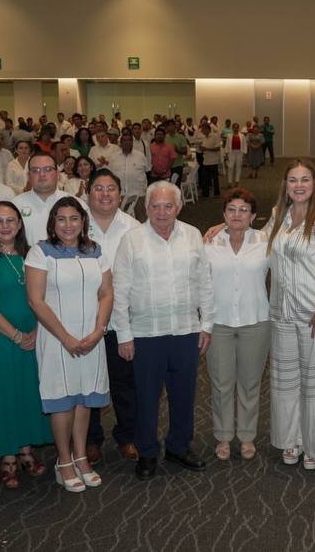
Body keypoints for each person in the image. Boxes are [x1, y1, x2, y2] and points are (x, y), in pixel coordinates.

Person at [112, 181, 213, 480]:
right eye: (155, 205)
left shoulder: (192, 235)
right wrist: (124, 334)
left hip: (185, 331)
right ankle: (147, 451)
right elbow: (120, 290)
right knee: (146, 397)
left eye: (168, 206)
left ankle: (179, 446)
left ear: (178, 207)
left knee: (184, 394)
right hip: (146, 334)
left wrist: (206, 324)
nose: (161, 212)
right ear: (146, 207)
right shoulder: (131, 240)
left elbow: (205, 283)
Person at [260, 160, 315, 471]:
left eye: (304, 179)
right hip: (282, 312)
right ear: (285, 185)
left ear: (314, 183)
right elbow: (259, 243)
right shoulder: (278, 215)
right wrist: (225, 229)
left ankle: (313, 445)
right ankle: (291, 440)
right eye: (293, 180)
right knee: (286, 382)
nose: (298, 185)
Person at [24, 197, 112, 492]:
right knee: (63, 400)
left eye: (74, 218)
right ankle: (63, 462)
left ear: (83, 222)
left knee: (84, 398)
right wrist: (66, 338)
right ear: (52, 223)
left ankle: (81, 456)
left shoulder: (95, 251)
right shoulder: (40, 252)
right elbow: (35, 300)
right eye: (61, 219)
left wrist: (99, 330)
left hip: (91, 338)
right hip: (57, 340)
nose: (68, 225)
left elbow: (106, 293)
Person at [0, 201, 51, 489]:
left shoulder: (33, 255)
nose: (5, 226)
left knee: (27, 394)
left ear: (19, 224)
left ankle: (26, 451)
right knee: (2, 396)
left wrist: (38, 331)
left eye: (10, 220)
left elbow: (45, 297)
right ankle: (7, 456)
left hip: (33, 336)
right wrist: (16, 336)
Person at [203, 188, 270, 461]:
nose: (237, 215)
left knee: (250, 383)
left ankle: (247, 436)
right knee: (221, 383)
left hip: (256, 321)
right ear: (223, 214)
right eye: (231, 209)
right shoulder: (208, 242)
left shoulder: (266, 242)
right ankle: (223, 436)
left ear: (253, 216)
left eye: (244, 210)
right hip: (218, 323)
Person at [81, 170, 141, 463]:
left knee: (124, 383)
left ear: (120, 193)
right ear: (88, 193)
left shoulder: (133, 227)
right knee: (88, 381)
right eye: (98, 188)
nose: (105, 194)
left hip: (121, 321)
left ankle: (127, 436)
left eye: (111, 189)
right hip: (84, 319)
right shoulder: (74, 224)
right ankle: (91, 439)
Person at [14, 152, 82, 245]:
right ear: (29, 176)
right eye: (35, 170)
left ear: (57, 174)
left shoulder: (77, 204)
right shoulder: (15, 205)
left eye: (48, 169)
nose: (42, 174)